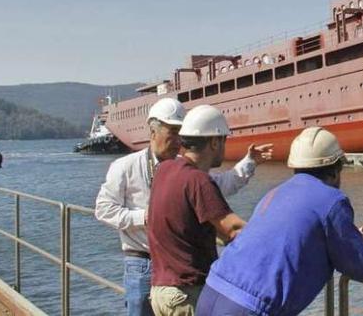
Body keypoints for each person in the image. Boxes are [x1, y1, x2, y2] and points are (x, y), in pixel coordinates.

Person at [95, 98, 272, 316]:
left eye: (183, 132)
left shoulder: (177, 170)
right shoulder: (126, 167)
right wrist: (144, 217)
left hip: (172, 273)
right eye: (173, 131)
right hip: (144, 263)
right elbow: (103, 209)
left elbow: (216, 188)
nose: (180, 139)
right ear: (153, 131)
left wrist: (249, 163)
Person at [196, 127, 363, 316]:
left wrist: (352, 234)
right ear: (335, 171)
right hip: (250, 307)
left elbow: (296, 235)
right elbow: (357, 265)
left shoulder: (275, 193)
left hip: (213, 291)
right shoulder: (333, 201)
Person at [148, 105, 250, 316]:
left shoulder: (164, 169)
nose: (224, 146)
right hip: (186, 294)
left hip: (160, 291)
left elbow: (187, 220)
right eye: (223, 140)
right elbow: (233, 229)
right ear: (214, 141)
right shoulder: (199, 180)